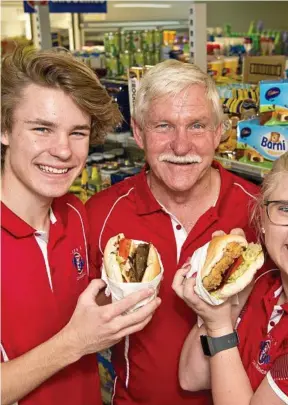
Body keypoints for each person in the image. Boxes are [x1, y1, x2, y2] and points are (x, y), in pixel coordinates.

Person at [86, 59, 260, 405]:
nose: (181, 147)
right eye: (163, 126)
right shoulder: (100, 214)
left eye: (196, 126)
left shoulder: (259, 213)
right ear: (138, 133)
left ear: (218, 132)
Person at [1, 46, 161, 405]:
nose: (63, 151)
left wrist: (129, 291)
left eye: (77, 132)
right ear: (4, 129)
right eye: (42, 128)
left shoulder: (75, 213)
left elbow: (80, 306)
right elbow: (78, 337)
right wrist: (75, 342)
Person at [173, 149, 288, 405]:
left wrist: (220, 328)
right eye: (286, 209)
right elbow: (192, 376)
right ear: (262, 219)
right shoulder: (265, 279)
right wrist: (217, 296)